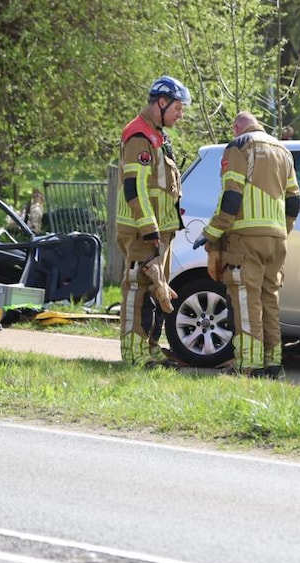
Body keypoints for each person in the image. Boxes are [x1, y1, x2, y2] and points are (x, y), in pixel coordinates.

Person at [200, 111, 300, 378]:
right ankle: (273, 364)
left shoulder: (238, 147)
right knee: (270, 300)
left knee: (246, 300)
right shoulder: (283, 150)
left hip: (246, 238)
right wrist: (283, 229)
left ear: (236, 128)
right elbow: (295, 201)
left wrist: (212, 233)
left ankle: (249, 365)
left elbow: (231, 196)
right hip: (277, 239)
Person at [115, 75, 190, 368]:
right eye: (178, 108)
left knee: (156, 289)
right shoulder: (139, 136)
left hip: (160, 232)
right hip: (143, 231)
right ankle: (135, 354)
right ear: (161, 101)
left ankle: (150, 348)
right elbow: (135, 188)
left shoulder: (157, 134)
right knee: (139, 287)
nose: (180, 114)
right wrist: (149, 229)